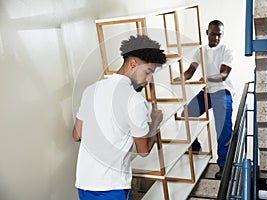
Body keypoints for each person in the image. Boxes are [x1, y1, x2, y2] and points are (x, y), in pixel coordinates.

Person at [73, 35, 167, 200]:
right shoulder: (135, 101)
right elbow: (143, 151)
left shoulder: (90, 90)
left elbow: (76, 135)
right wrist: (156, 123)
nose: (149, 79)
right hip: (112, 186)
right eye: (148, 72)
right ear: (132, 64)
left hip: (84, 182)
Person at [175, 20, 235, 179]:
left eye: (219, 35)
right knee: (186, 114)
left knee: (223, 129)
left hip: (223, 91)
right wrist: (179, 78)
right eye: (213, 34)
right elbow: (189, 72)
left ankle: (224, 166)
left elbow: (223, 75)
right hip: (207, 91)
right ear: (206, 32)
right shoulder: (200, 51)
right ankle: (195, 148)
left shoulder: (227, 50)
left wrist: (206, 78)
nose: (216, 38)